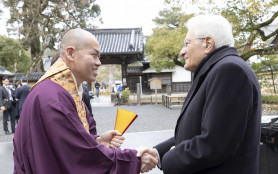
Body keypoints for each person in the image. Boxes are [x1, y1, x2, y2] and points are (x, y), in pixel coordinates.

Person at [13, 28, 157, 174]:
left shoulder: (63, 90)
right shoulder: (52, 97)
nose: (99, 63)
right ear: (70, 53)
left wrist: (98, 140)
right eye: (94, 55)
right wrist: (134, 159)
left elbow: (68, 142)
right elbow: (79, 156)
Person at [137, 14, 262, 174]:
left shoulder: (229, 71)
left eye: (186, 43)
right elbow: (196, 132)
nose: (182, 52)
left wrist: (170, 158)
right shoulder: (216, 70)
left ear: (208, 43)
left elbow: (215, 144)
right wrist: (158, 153)